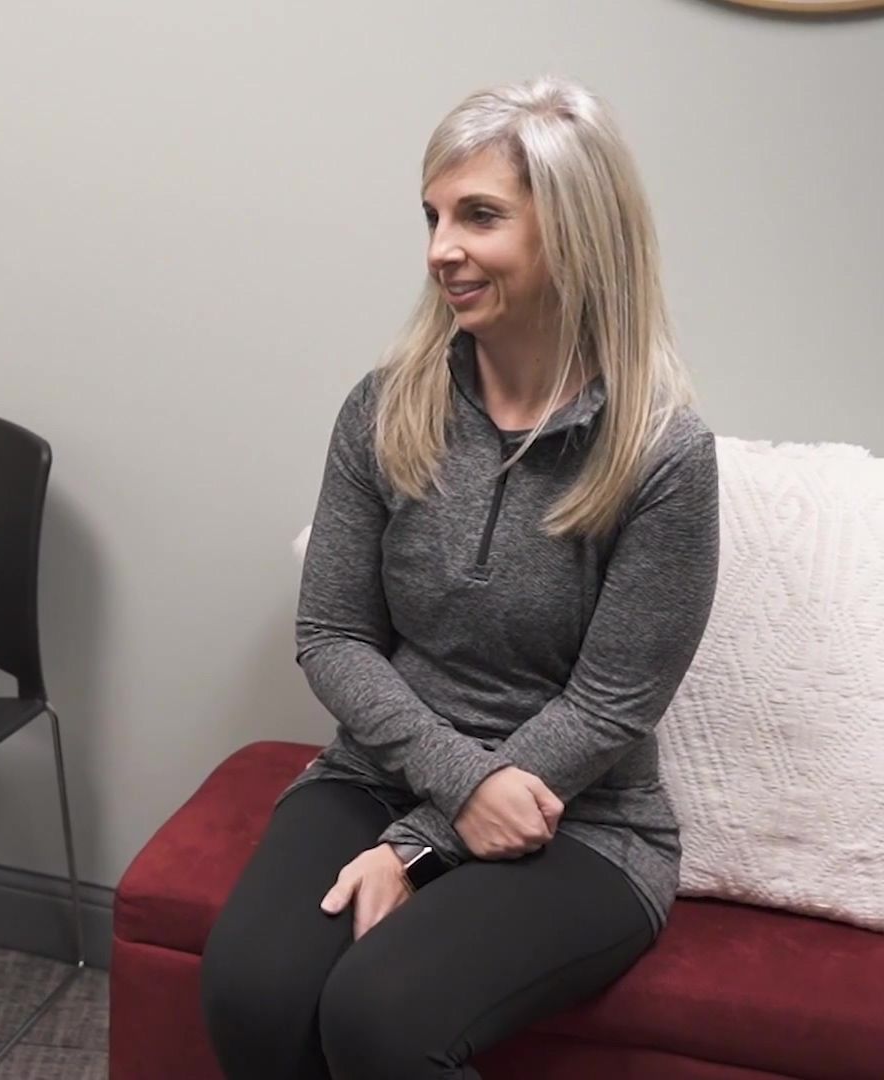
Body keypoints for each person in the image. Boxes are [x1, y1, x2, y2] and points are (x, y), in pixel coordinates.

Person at [199, 77, 720, 1080]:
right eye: (434, 216)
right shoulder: (388, 405)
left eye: (479, 216)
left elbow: (612, 705)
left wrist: (419, 848)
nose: (442, 247)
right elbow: (332, 636)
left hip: (584, 822)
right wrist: (455, 790)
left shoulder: (661, 453)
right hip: (379, 774)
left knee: (381, 1018)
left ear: (574, 231)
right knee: (251, 992)